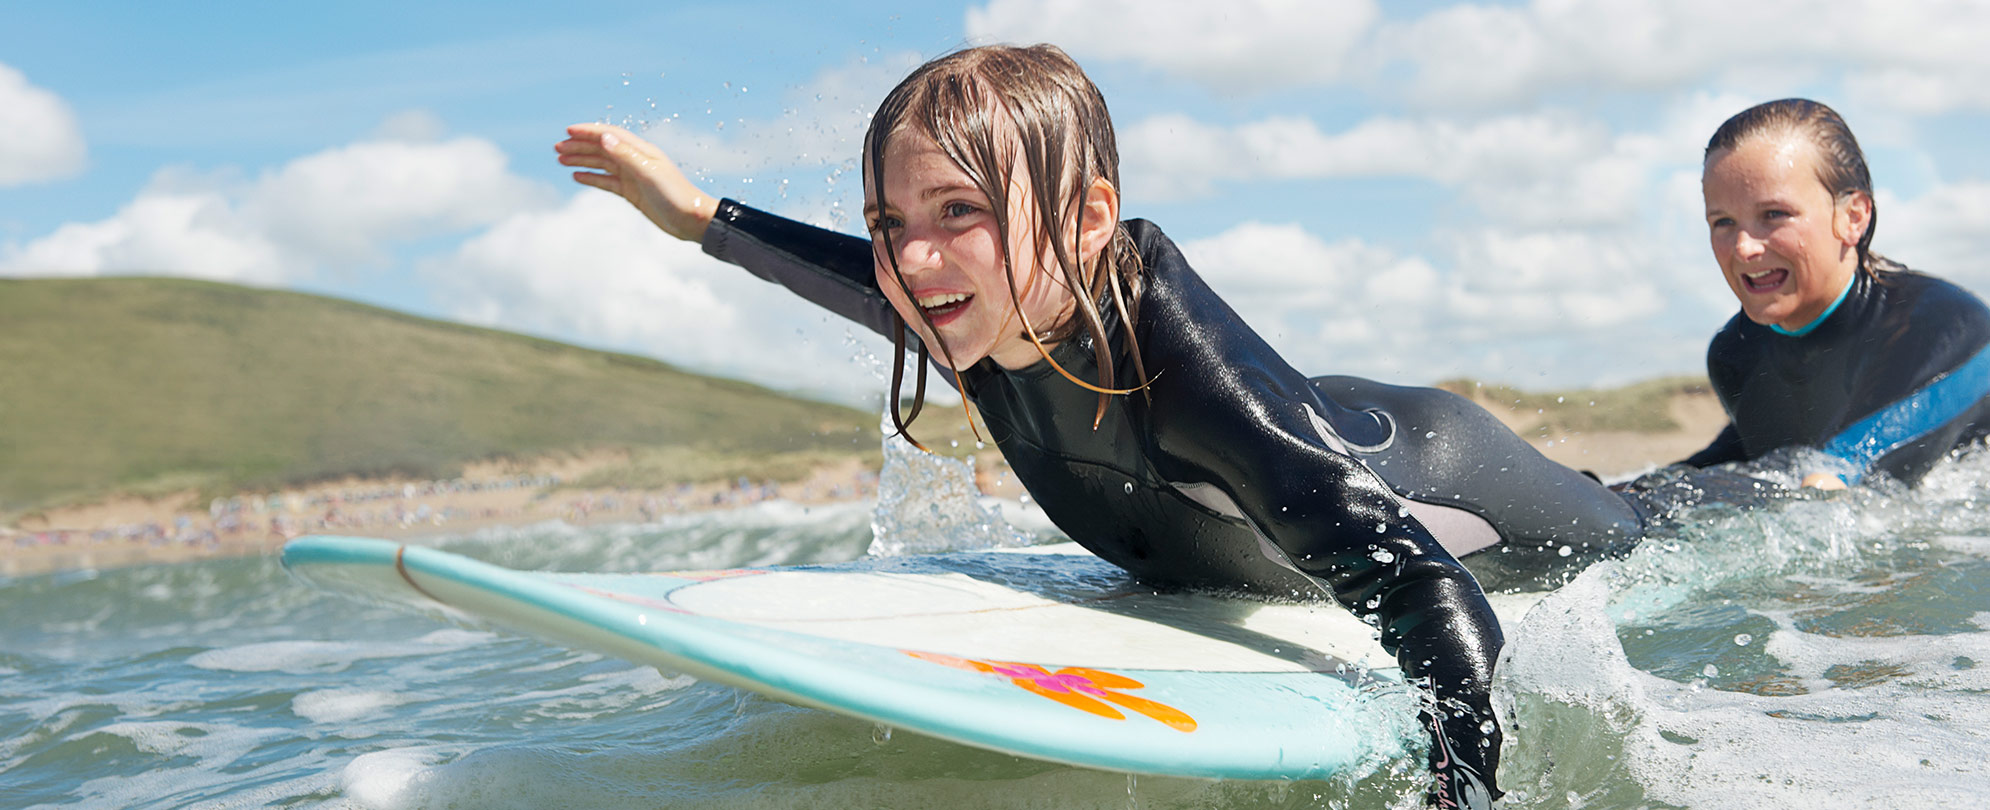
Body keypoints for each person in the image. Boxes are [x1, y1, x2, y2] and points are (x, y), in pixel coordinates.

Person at [557, 44, 1640, 807]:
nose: (913, 260)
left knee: (1649, 522)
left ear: (1085, 219)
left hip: (1454, 480)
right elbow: (855, 280)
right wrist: (702, 218)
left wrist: (1460, 788)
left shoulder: (1198, 397)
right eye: (892, 222)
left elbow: (1419, 585)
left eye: (958, 213)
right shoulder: (977, 311)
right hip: (1331, 420)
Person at [1683, 99, 1990, 488]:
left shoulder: (1948, 326)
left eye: (1774, 214)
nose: (1744, 247)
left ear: (1853, 217)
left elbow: (1840, 476)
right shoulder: (1737, 355)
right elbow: (1762, 468)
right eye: (1723, 221)